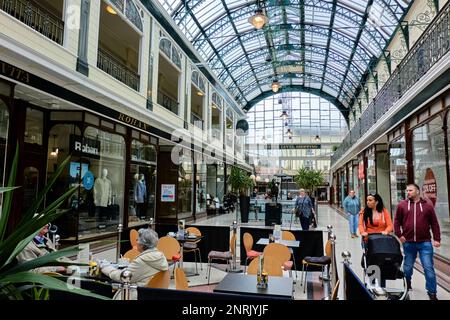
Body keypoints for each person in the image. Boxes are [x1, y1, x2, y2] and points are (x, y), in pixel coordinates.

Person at [394, 183, 441, 300]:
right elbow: (396, 221)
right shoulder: (402, 205)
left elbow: (434, 223)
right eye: (407, 190)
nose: (407, 192)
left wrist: (437, 238)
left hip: (425, 242)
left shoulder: (427, 206)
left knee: (428, 268)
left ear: (417, 191)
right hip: (408, 242)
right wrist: (399, 235)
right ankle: (408, 282)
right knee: (407, 267)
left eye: (410, 190)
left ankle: (432, 293)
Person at [100, 228, 168, 300]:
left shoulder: (142, 260)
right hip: (152, 293)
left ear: (142, 245)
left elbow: (123, 277)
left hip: (136, 294)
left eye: (137, 240)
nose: (136, 242)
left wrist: (105, 267)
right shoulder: (160, 257)